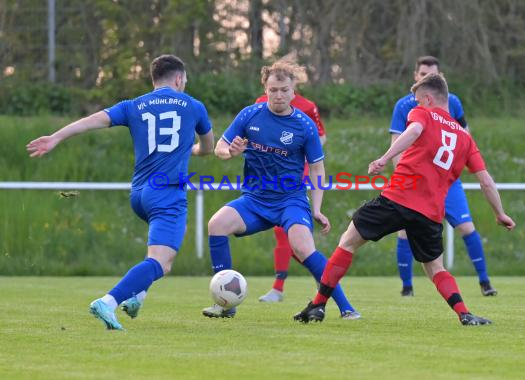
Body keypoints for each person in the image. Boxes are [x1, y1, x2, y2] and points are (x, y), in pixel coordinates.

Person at [294, 73, 515, 326]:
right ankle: (465, 313)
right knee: (436, 268)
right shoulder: (466, 139)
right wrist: (500, 214)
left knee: (348, 242)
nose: (417, 104)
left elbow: (414, 131)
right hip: (430, 212)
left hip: (398, 198)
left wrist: (384, 158)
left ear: (429, 99)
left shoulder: (423, 114)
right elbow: (486, 180)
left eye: (419, 100)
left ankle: (319, 305)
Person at [26, 54, 214, 330]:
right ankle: (108, 301)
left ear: (154, 79)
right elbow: (208, 148)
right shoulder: (194, 106)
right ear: (179, 79)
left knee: (158, 255)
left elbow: (92, 120)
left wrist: (56, 137)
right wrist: (194, 149)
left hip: (139, 195)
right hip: (167, 194)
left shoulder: (134, 105)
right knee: (161, 263)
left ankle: (136, 296)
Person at [202, 58, 360, 319]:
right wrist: (228, 152)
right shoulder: (249, 114)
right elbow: (221, 145)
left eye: (284, 90)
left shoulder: (304, 125)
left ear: (293, 90)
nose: (278, 95)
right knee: (216, 225)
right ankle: (225, 305)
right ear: (265, 89)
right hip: (254, 199)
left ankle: (346, 307)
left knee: (303, 248)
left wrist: (317, 208)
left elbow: (318, 168)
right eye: (273, 90)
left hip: (290, 201)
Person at [390, 56, 497, 297]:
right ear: (415, 76)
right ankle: (407, 288)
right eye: (422, 74)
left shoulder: (452, 102)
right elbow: (397, 143)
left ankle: (485, 282)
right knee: (404, 231)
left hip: (446, 182)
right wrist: (402, 176)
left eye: (432, 75)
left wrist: (454, 171)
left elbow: (465, 137)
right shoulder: (405, 106)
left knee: (467, 227)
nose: (426, 78)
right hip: (414, 180)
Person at [254, 92, 327, 303]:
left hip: (296, 172)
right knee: (288, 237)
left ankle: (278, 288)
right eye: (273, 86)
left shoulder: (307, 106)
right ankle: (320, 274)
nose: (279, 92)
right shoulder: (260, 103)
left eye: (285, 85)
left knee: (284, 230)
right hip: (268, 176)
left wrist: (295, 148)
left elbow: (321, 137)